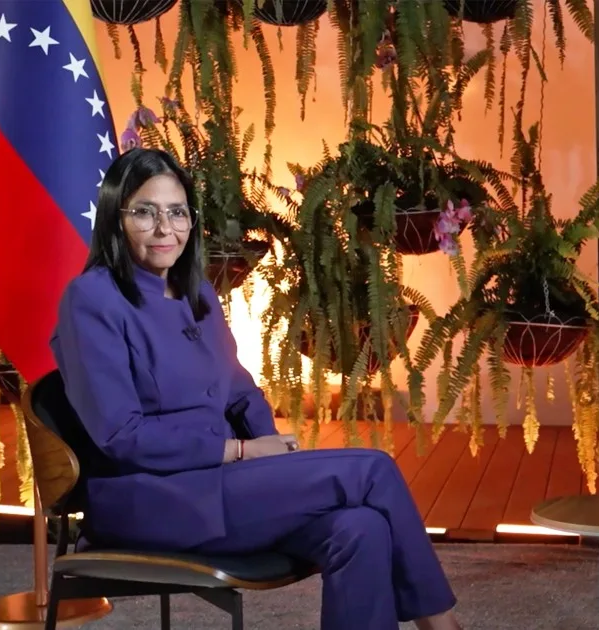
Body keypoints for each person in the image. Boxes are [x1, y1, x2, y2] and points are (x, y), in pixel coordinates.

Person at [50, 147, 462, 630]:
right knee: (373, 469)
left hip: (222, 487)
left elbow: (240, 392)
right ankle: (444, 629)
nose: (165, 229)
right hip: (151, 501)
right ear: (115, 219)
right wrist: (241, 452)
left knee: (361, 527)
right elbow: (122, 436)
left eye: (177, 212)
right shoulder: (91, 299)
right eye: (145, 212)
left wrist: (273, 455)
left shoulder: (197, 291)